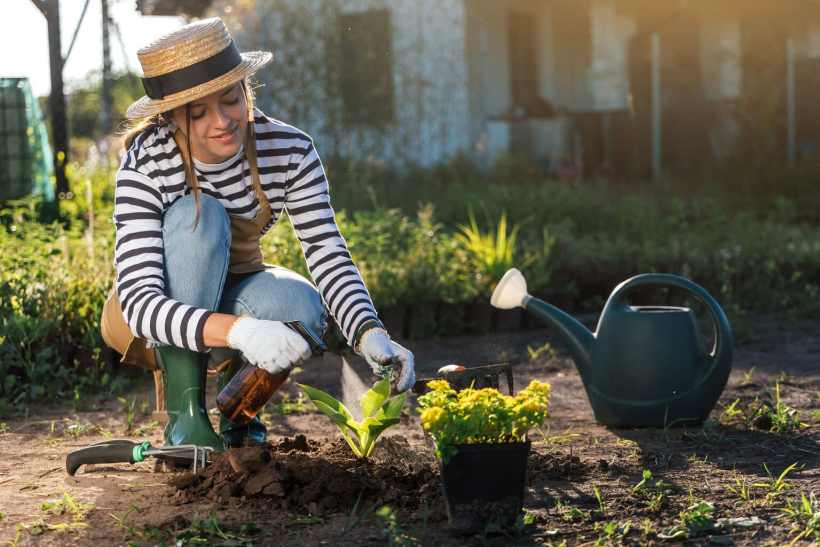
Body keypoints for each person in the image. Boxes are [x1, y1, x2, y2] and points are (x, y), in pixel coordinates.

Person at [99, 17, 415, 451]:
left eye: (230, 99)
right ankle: (185, 416)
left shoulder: (288, 150)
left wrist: (369, 333)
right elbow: (139, 304)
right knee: (200, 216)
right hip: (158, 317)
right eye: (198, 112)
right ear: (172, 118)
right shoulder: (147, 164)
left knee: (302, 306)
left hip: (238, 291)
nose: (223, 121)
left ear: (246, 89)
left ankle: (239, 415)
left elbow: (326, 252)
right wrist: (241, 332)